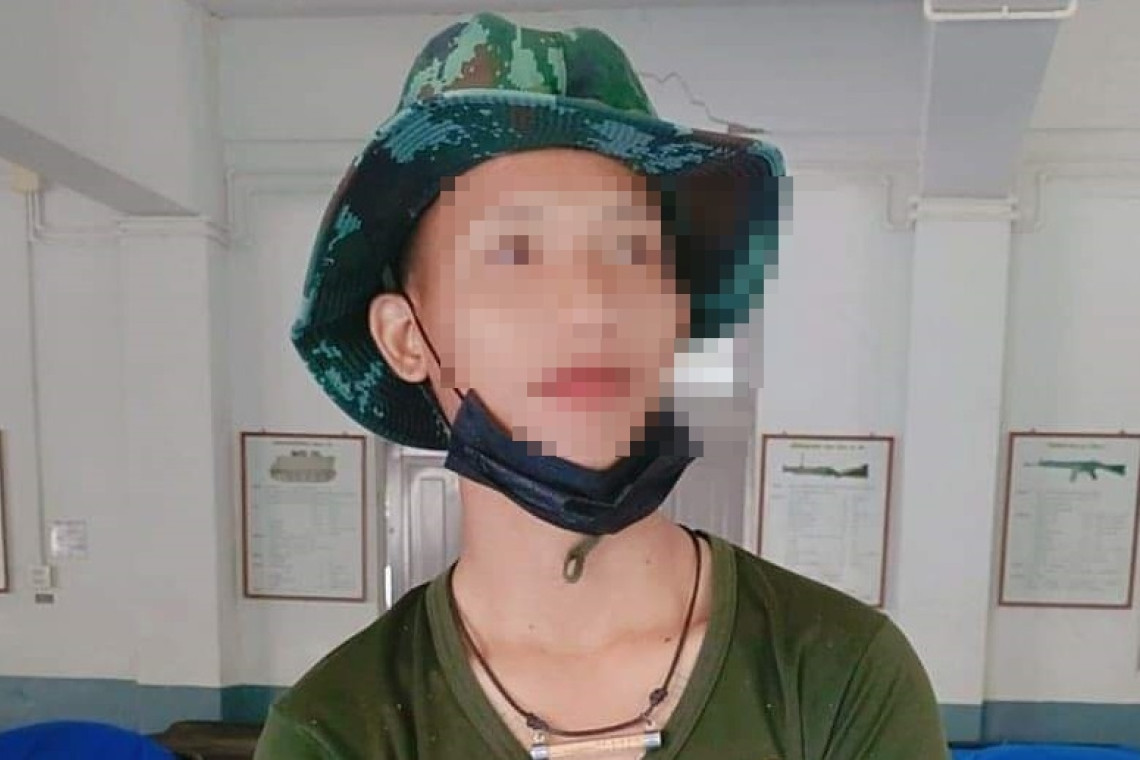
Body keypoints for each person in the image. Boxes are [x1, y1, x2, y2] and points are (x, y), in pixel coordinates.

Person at [254, 11, 950, 760]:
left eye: (630, 252)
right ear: (406, 338)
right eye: (513, 254)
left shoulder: (839, 677)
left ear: (681, 315)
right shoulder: (338, 731)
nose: (590, 307)